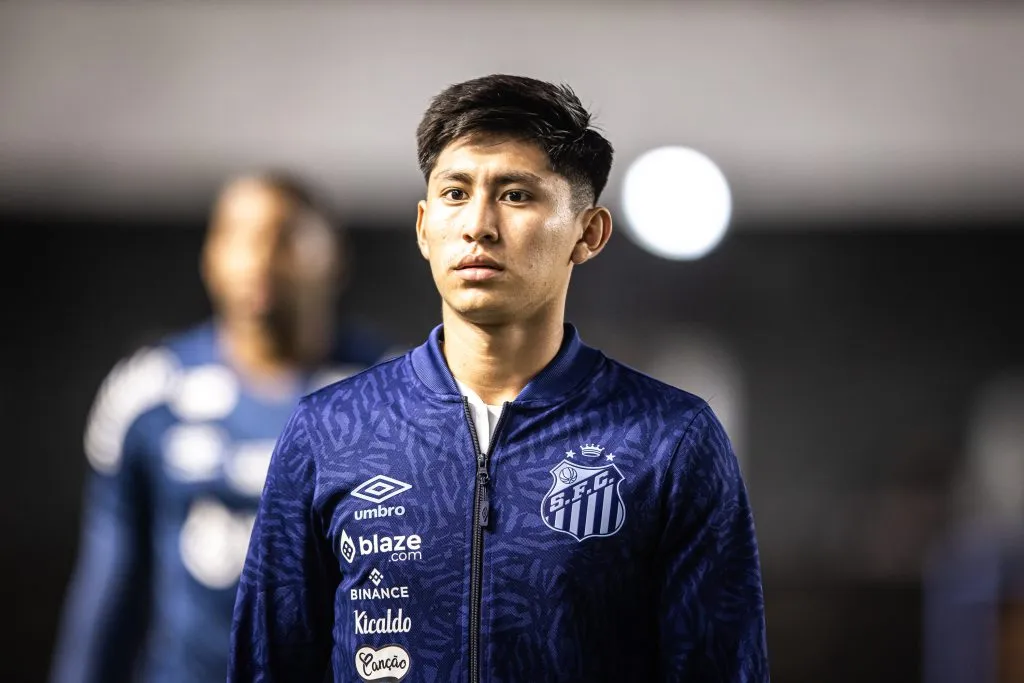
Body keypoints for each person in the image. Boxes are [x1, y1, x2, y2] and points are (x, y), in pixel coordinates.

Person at [229, 75, 769, 682]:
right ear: (423, 226)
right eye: (455, 193)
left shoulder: (670, 440)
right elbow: (267, 665)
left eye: (515, 195)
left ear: (588, 233)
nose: (478, 225)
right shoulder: (328, 431)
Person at [50, 173, 393, 683]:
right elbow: (108, 588)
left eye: (284, 237)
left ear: (335, 257)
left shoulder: (392, 399)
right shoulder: (149, 395)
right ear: (209, 258)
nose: (258, 259)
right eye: (237, 236)